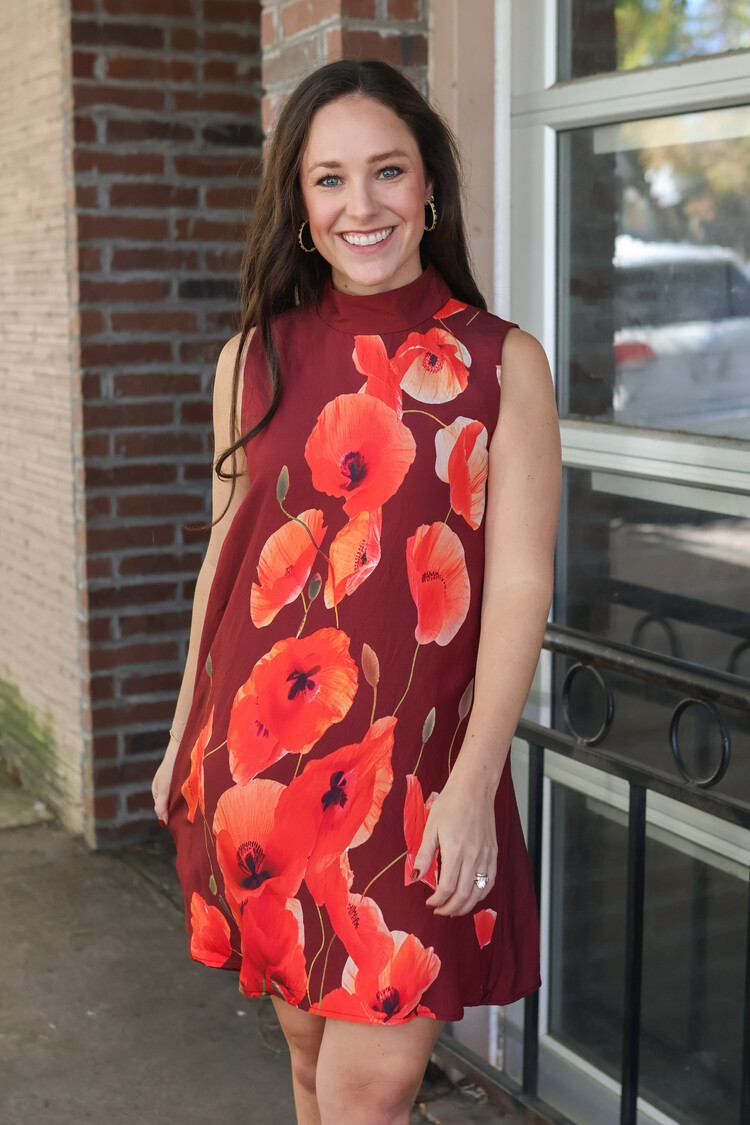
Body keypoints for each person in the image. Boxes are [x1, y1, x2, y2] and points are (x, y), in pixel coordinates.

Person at [151, 57, 561, 1125]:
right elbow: (224, 558)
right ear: (299, 203)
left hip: (418, 779)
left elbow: (521, 581)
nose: (361, 204)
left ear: (429, 187)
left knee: (370, 1092)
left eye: (387, 170)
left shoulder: (501, 363)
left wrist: (475, 783)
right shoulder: (252, 359)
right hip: (260, 760)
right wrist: (182, 734)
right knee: (307, 1064)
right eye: (329, 179)